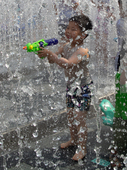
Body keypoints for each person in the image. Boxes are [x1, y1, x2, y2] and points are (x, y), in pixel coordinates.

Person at [37, 15, 93, 161]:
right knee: (70, 116)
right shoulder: (67, 46)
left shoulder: (83, 51)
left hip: (83, 89)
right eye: (68, 27)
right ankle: (73, 139)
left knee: (79, 118)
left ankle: (82, 148)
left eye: (73, 29)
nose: (68, 31)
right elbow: (54, 59)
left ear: (84, 35)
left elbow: (68, 63)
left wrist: (52, 55)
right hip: (71, 88)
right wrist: (46, 53)